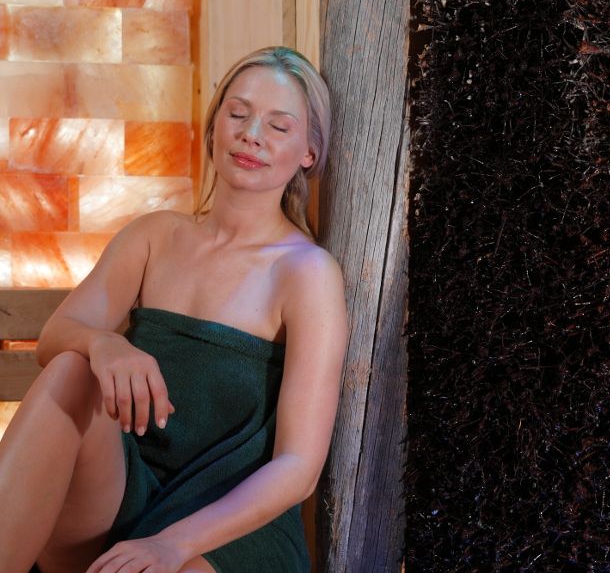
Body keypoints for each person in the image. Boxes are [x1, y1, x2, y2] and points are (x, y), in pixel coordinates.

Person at [0, 46, 349, 573]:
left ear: (308, 151)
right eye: (238, 114)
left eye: (279, 126)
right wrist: (105, 344)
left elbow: (298, 466)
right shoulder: (155, 236)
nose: (251, 134)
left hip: (227, 522)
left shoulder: (307, 274)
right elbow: (56, 337)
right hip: (121, 492)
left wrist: (173, 544)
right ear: (215, 127)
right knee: (73, 368)